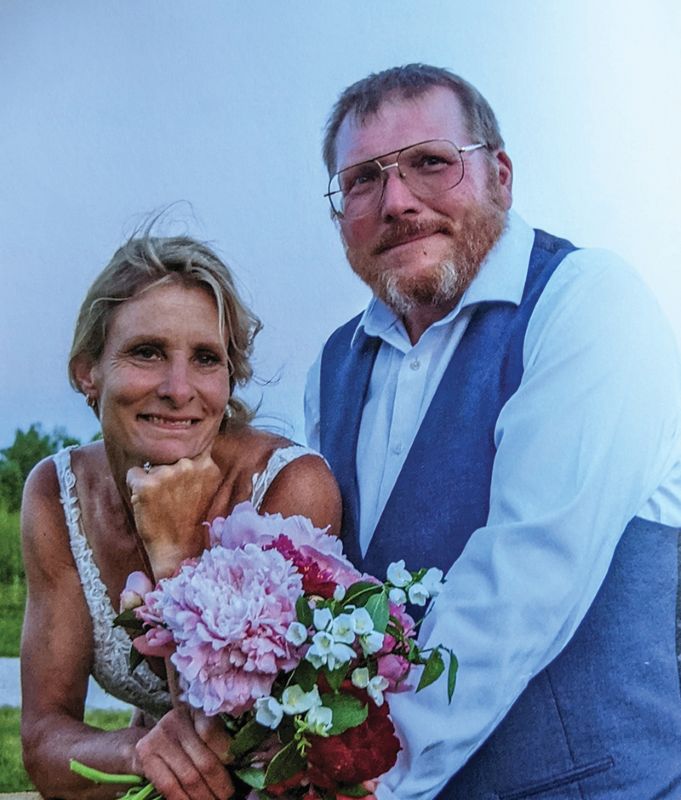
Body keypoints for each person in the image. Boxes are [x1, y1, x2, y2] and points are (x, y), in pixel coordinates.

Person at [305, 64, 681, 798]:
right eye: (361, 181)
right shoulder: (331, 365)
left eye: (430, 163)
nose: (397, 202)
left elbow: (530, 569)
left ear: (499, 175)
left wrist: (364, 777)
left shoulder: (586, 301)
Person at [21, 232, 341, 800]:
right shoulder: (56, 491)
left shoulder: (292, 488)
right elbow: (44, 739)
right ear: (87, 373)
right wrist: (136, 752)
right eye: (146, 351)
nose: (178, 389)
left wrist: (171, 554)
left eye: (205, 359)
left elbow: (227, 747)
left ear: (228, 379)